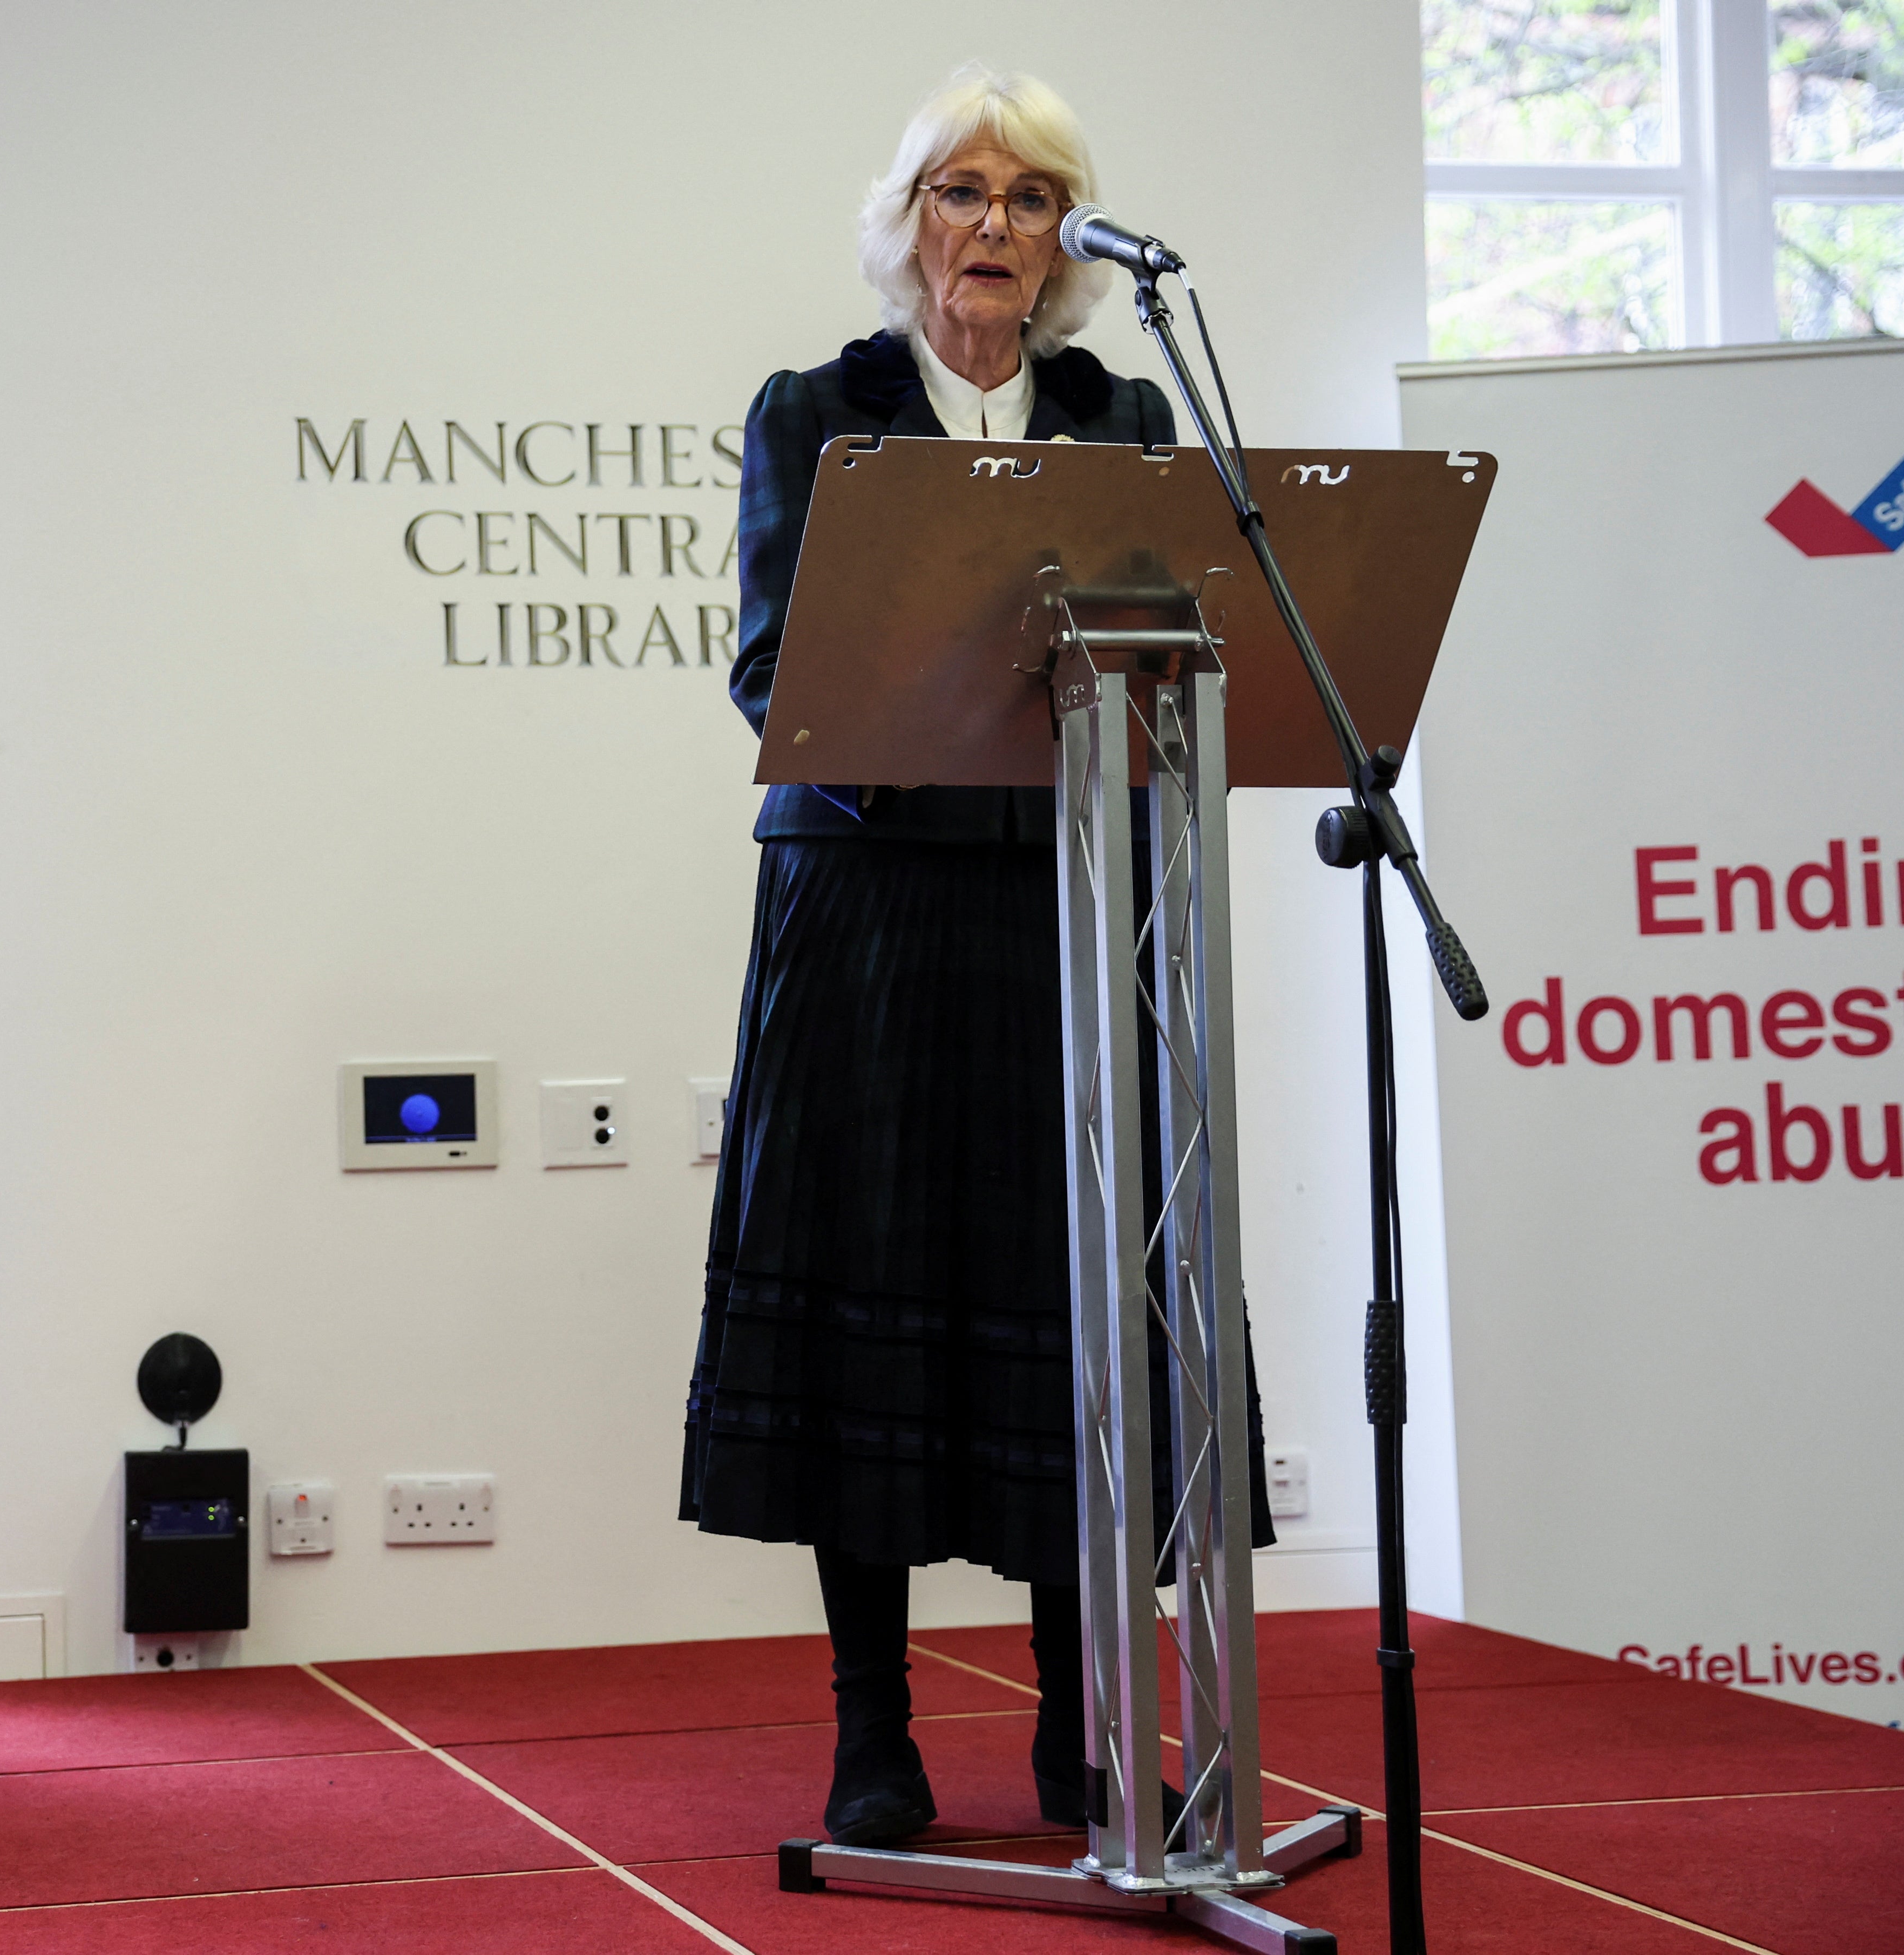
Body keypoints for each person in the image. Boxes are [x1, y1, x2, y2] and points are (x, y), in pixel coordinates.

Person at [679, 65, 1275, 1848]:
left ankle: (1082, 1738)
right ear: (907, 225)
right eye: (961, 192)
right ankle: (877, 1737)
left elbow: (1171, 654)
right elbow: (772, 666)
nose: (993, 227)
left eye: (1030, 198)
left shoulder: (1125, 412)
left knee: (1072, 1309)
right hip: (864, 909)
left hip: (1070, 894)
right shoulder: (816, 409)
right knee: (872, 1316)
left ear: (1066, 241)